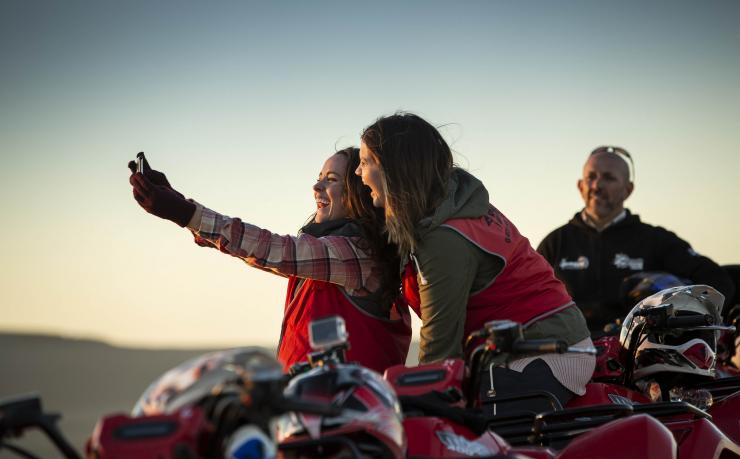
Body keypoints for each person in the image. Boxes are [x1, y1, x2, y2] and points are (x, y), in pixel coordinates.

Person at [354, 112, 594, 410]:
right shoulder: (453, 202)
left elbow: (440, 344)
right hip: (539, 345)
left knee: (456, 440)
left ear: (395, 169)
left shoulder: (444, 238)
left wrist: (421, 407)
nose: (357, 172)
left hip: (542, 354)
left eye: (366, 162)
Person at [128, 148, 411, 374]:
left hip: (347, 422)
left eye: (332, 180)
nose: (316, 186)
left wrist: (185, 212)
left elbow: (274, 250)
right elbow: (263, 254)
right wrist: (175, 200)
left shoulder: (355, 254)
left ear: (357, 194)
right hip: (314, 416)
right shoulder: (329, 256)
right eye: (320, 177)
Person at [537, 146, 735, 333]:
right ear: (580, 186)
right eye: (591, 177)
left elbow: (717, 282)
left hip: (638, 356)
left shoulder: (655, 240)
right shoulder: (555, 243)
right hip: (568, 351)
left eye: (608, 178)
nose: (597, 185)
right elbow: (525, 297)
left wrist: (687, 321)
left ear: (628, 189)